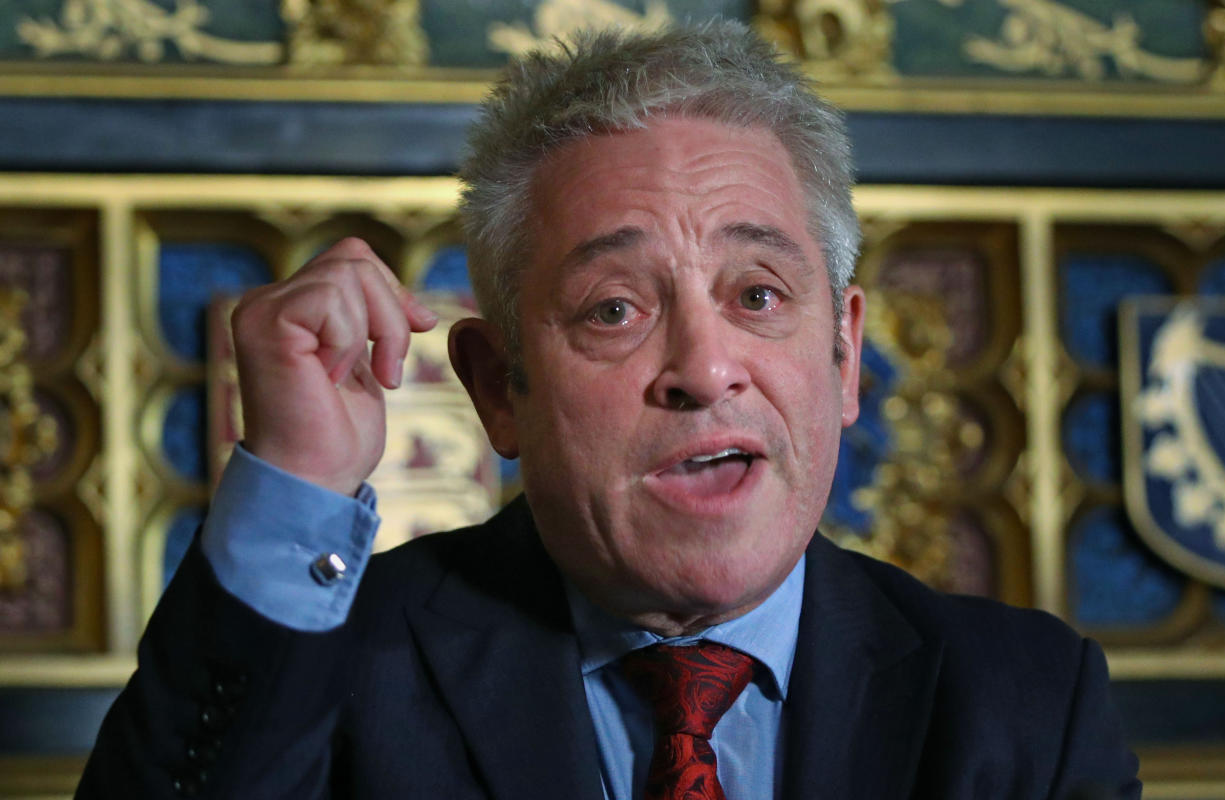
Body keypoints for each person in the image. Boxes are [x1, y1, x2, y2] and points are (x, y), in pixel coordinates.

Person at [77, 21, 1140, 800]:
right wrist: (298, 482)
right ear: (500, 387)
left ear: (844, 350)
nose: (704, 367)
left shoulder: (1026, 706)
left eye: (757, 294)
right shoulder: (338, 669)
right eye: (615, 308)